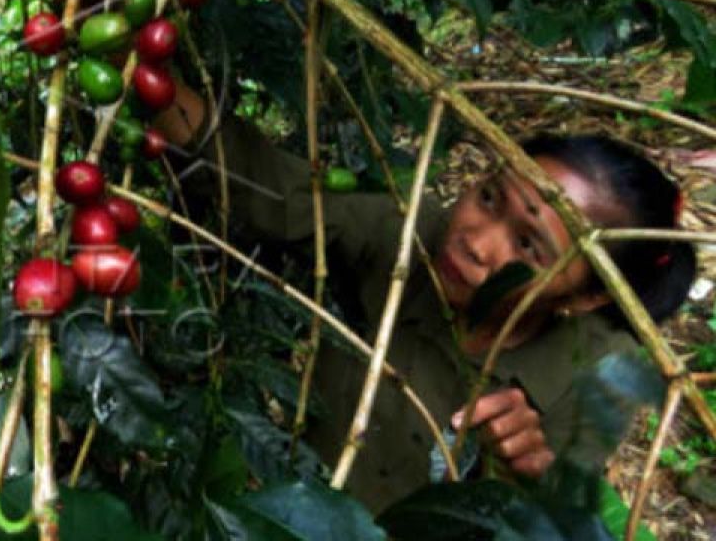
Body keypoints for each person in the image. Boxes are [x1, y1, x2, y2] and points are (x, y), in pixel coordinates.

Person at [154, 82, 697, 513]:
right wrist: (151, 79)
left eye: (528, 246)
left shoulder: (599, 372)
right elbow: (274, 191)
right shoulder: (409, 239)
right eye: (488, 198)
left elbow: (554, 514)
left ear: (583, 300)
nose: (476, 243)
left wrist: (524, 475)